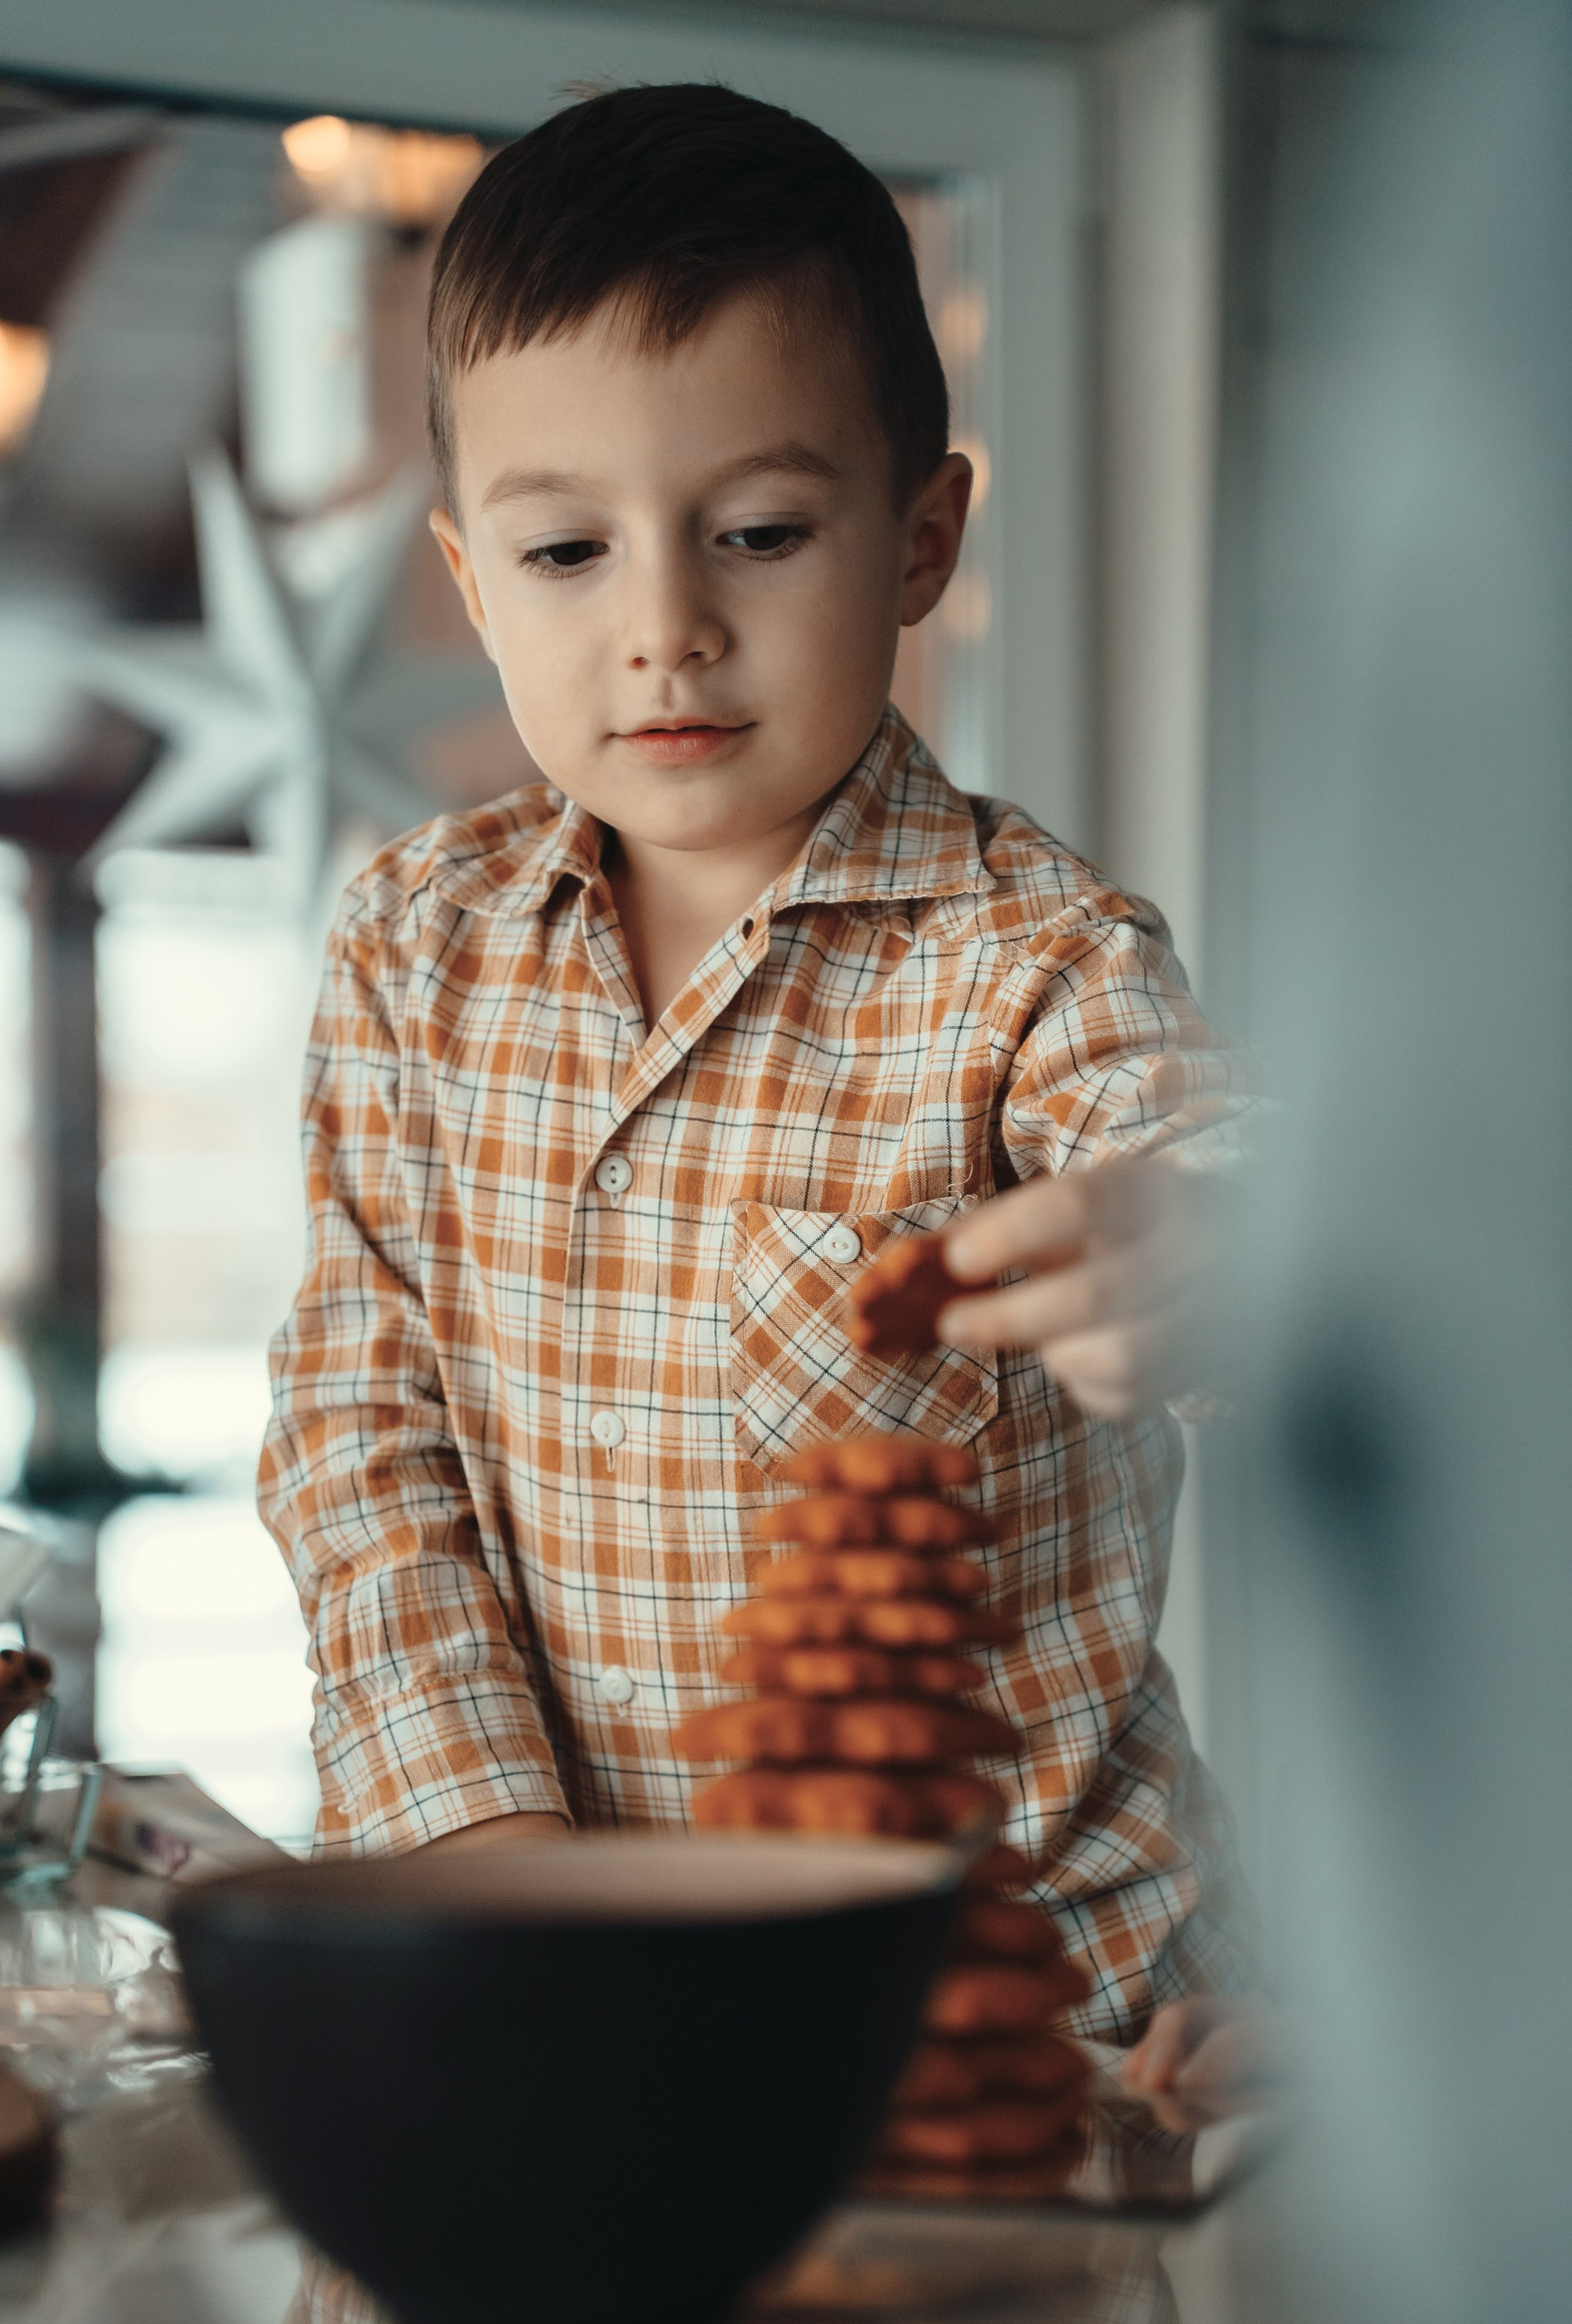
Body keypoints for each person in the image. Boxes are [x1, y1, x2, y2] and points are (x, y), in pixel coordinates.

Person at [257, 81, 1254, 2057]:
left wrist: (1204, 1247)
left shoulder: (1038, 957)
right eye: (565, 555)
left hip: (1012, 2010)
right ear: (470, 584)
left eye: (763, 531)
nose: (667, 630)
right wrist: (503, 1865)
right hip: (542, 1983)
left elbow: (1217, 1160)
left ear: (921, 537)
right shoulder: (406, 955)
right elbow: (362, 1447)